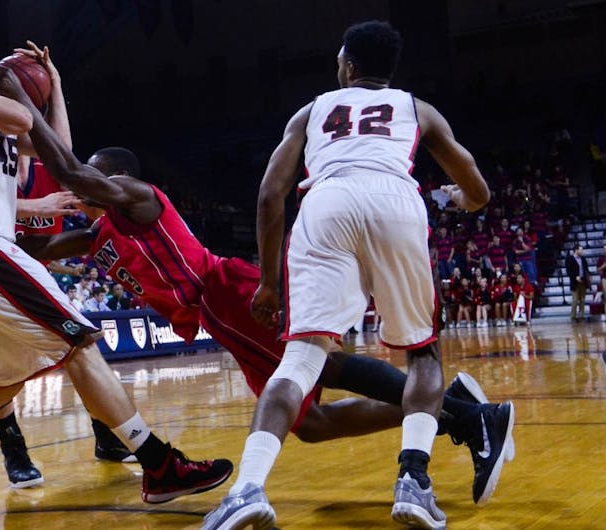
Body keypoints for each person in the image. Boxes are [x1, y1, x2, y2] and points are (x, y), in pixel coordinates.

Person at [0, 48, 514, 514]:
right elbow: (35, 249)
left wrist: (29, 102)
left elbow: (76, 173)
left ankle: (465, 418)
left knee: (318, 363)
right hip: (216, 314)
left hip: (221, 289)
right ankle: (458, 410)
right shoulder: (96, 234)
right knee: (309, 422)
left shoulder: (137, 197)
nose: (89, 184)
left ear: (119, 178)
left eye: (100, 175)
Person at [0, 13, 231, 513]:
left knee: (0, 382)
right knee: (79, 339)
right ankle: (159, 465)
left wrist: (56, 86)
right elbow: (25, 120)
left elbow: (56, 147)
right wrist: (21, 91)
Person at [201, 21, 505, 530]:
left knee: (300, 359)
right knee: (422, 353)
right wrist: (462, 200)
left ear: (348, 65)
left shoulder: (312, 109)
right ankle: (413, 481)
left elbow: (270, 195)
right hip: (394, 201)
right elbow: (476, 186)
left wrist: (270, 282)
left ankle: (247, 489)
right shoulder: (418, 108)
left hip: (326, 203)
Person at [565, 243, 590, 322]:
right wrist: (575, 277)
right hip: (574, 282)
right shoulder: (569, 259)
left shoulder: (583, 259)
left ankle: (581, 316)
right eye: (580, 250)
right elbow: (569, 271)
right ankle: (573, 316)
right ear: (576, 250)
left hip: (583, 280)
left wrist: (588, 276)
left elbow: (586, 268)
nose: (582, 251)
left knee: (582, 299)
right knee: (575, 299)